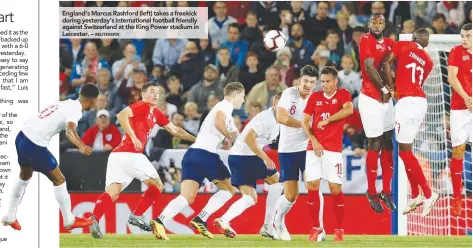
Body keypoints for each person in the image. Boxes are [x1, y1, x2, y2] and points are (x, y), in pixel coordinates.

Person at [87, 82, 196, 239]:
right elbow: (121, 115)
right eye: (152, 91)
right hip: (131, 154)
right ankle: (136, 215)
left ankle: (94, 218)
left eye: (157, 92)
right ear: (143, 94)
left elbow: (175, 130)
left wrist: (196, 140)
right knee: (158, 185)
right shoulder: (142, 105)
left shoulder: (156, 113)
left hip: (118, 155)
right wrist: (132, 135)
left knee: (113, 192)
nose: (156, 95)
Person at [150, 82, 246, 240]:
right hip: (205, 154)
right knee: (229, 190)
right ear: (235, 95)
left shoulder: (224, 111)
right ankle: (201, 219)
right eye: (242, 97)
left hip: (192, 154)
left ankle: (160, 221)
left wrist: (231, 139)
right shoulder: (225, 106)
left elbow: (236, 135)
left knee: (187, 197)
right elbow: (219, 123)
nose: (243, 101)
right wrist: (228, 138)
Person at [1, 84, 100, 231]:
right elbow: (70, 131)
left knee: (24, 176)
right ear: (92, 101)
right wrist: (82, 146)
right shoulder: (75, 110)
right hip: (34, 144)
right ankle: (69, 220)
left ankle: (9, 215)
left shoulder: (67, 103)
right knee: (59, 179)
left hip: (22, 137)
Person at [381, 29, 438, 217]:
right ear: (426, 43)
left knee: (404, 153)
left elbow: (386, 63)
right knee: (406, 150)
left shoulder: (402, 45)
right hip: (421, 102)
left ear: (413, 38)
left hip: (406, 102)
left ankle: (428, 194)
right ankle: (416, 195)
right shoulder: (428, 61)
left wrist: (391, 88)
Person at [212, 93, 283, 238]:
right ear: (274, 105)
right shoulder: (266, 118)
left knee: (250, 197)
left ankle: (224, 220)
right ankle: (268, 226)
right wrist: (265, 157)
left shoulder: (279, 120)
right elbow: (249, 138)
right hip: (247, 156)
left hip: (237, 157)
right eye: (280, 105)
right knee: (277, 183)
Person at [302, 66, 353, 242]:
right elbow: (304, 121)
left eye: (328, 81)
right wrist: (314, 140)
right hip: (314, 148)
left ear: (335, 81)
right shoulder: (315, 97)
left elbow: (349, 110)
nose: (324, 85)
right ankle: (316, 228)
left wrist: (329, 119)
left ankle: (339, 229)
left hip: (333, 150)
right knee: (312, 186)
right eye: (322, 82)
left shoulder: (343, 94)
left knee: (335, 189)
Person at [273, 65, 318, 241]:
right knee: (291, 195)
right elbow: (281, 117)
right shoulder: (289, 94)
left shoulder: (316, 98)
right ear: (300, 80)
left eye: (312, 82)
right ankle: (278, 221)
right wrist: (303, 125)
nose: (308, 85)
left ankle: (318, 228)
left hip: (308, 149)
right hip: (288, 150)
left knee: (313, 185)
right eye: (306, 81)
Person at [358, 13, 396, 213]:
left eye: (381, 22)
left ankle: (386, 191)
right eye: (374, 21)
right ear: (369, 23)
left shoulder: (389, 42)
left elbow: (388, 64)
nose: (377, 25)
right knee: (375, 143)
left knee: (389, 141)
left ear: (385, 24)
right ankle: (371, 191)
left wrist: (391, 89)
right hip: (371, 98)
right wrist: (383, 90)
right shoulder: (366, 39)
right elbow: (369, 67)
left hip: (386, 99)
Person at [447, 23, 472, 217]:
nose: (464, 39)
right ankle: (457, 197)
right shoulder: (456, 51)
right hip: (459, 109)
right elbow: (452, 78)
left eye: (468, 36)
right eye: (462, 36)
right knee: (458, 151)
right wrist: (466, 98)